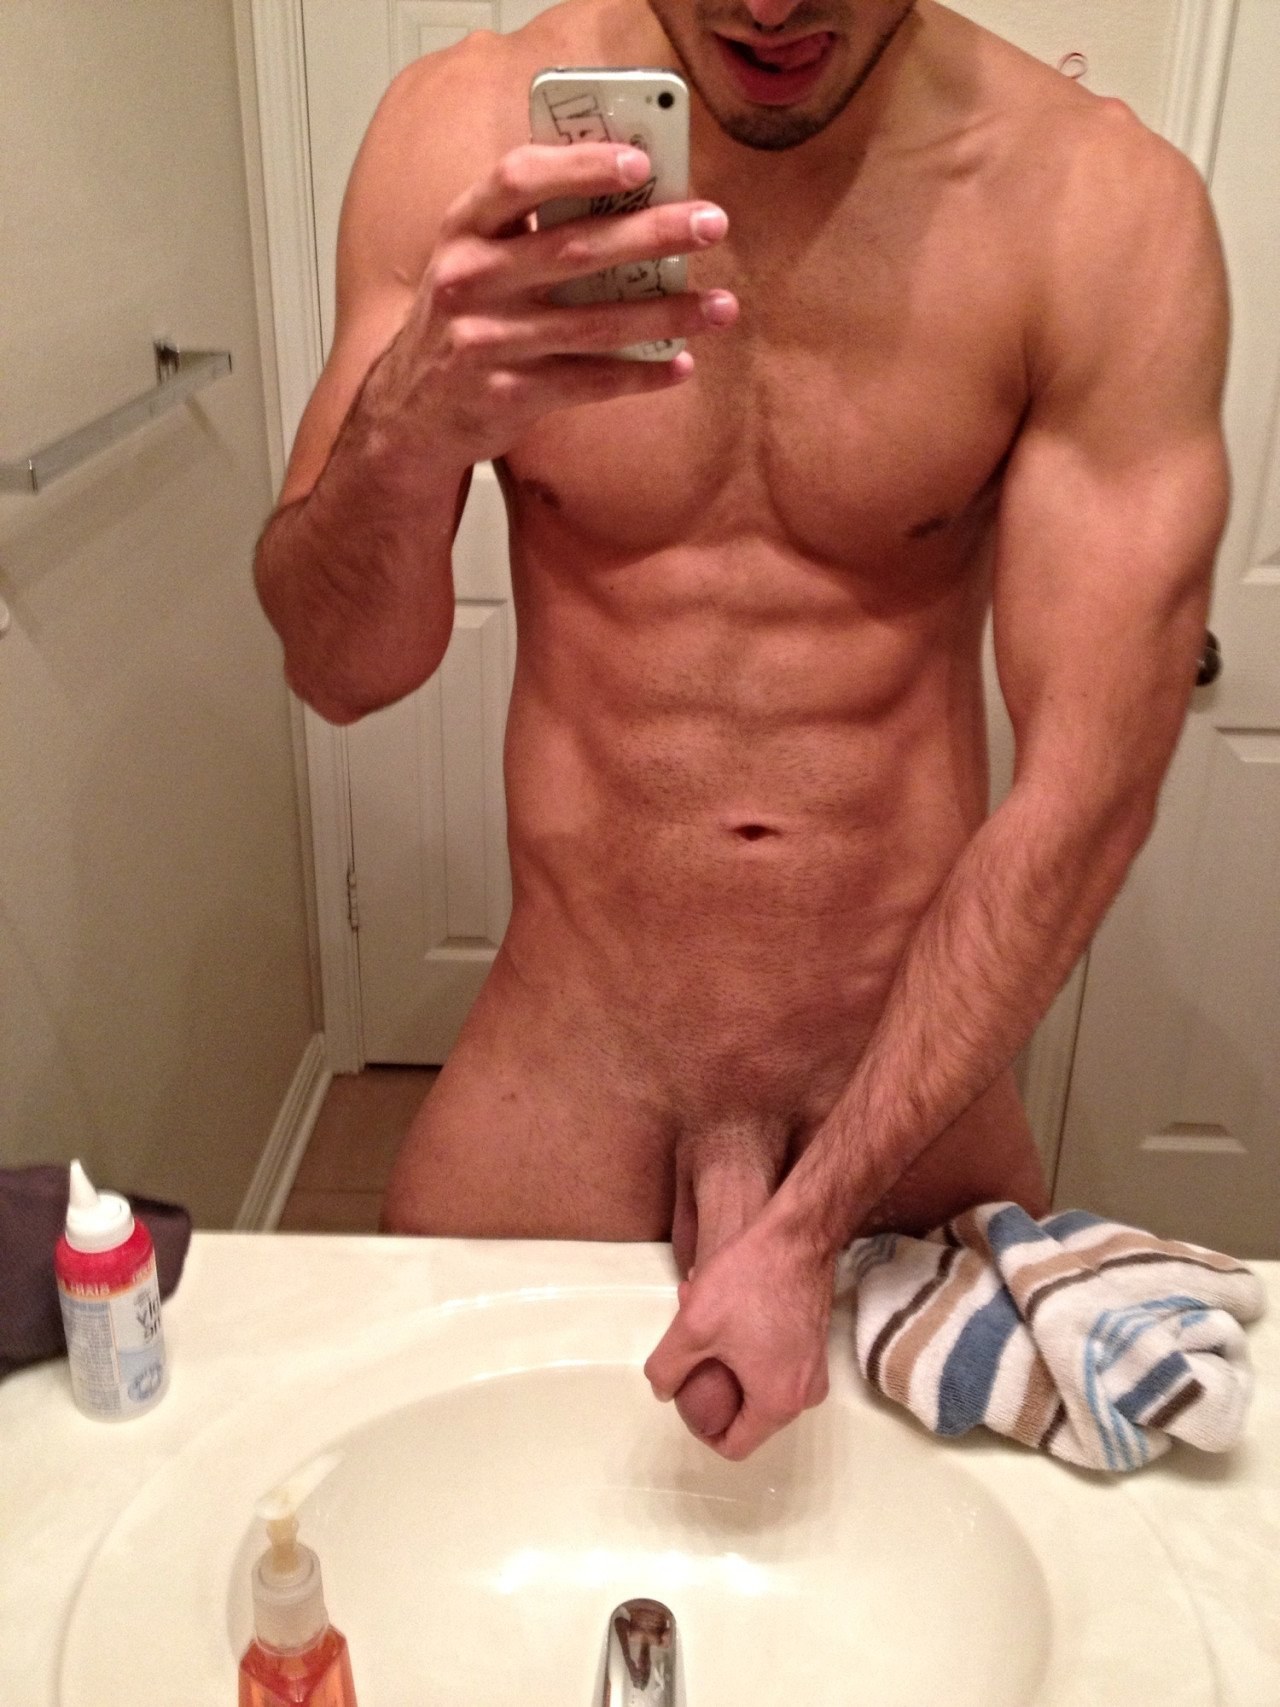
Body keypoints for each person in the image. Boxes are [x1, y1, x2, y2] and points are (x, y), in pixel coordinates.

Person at [253, 0, 1230, 1460]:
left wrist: (811, 1222)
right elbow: (339, 670)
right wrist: (405, 428)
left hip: (903, 1094)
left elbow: (1087, 793)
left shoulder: (1093, 205)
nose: (771, 7)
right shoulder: (455, 137)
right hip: (568, 1070)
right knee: (450, 1539)